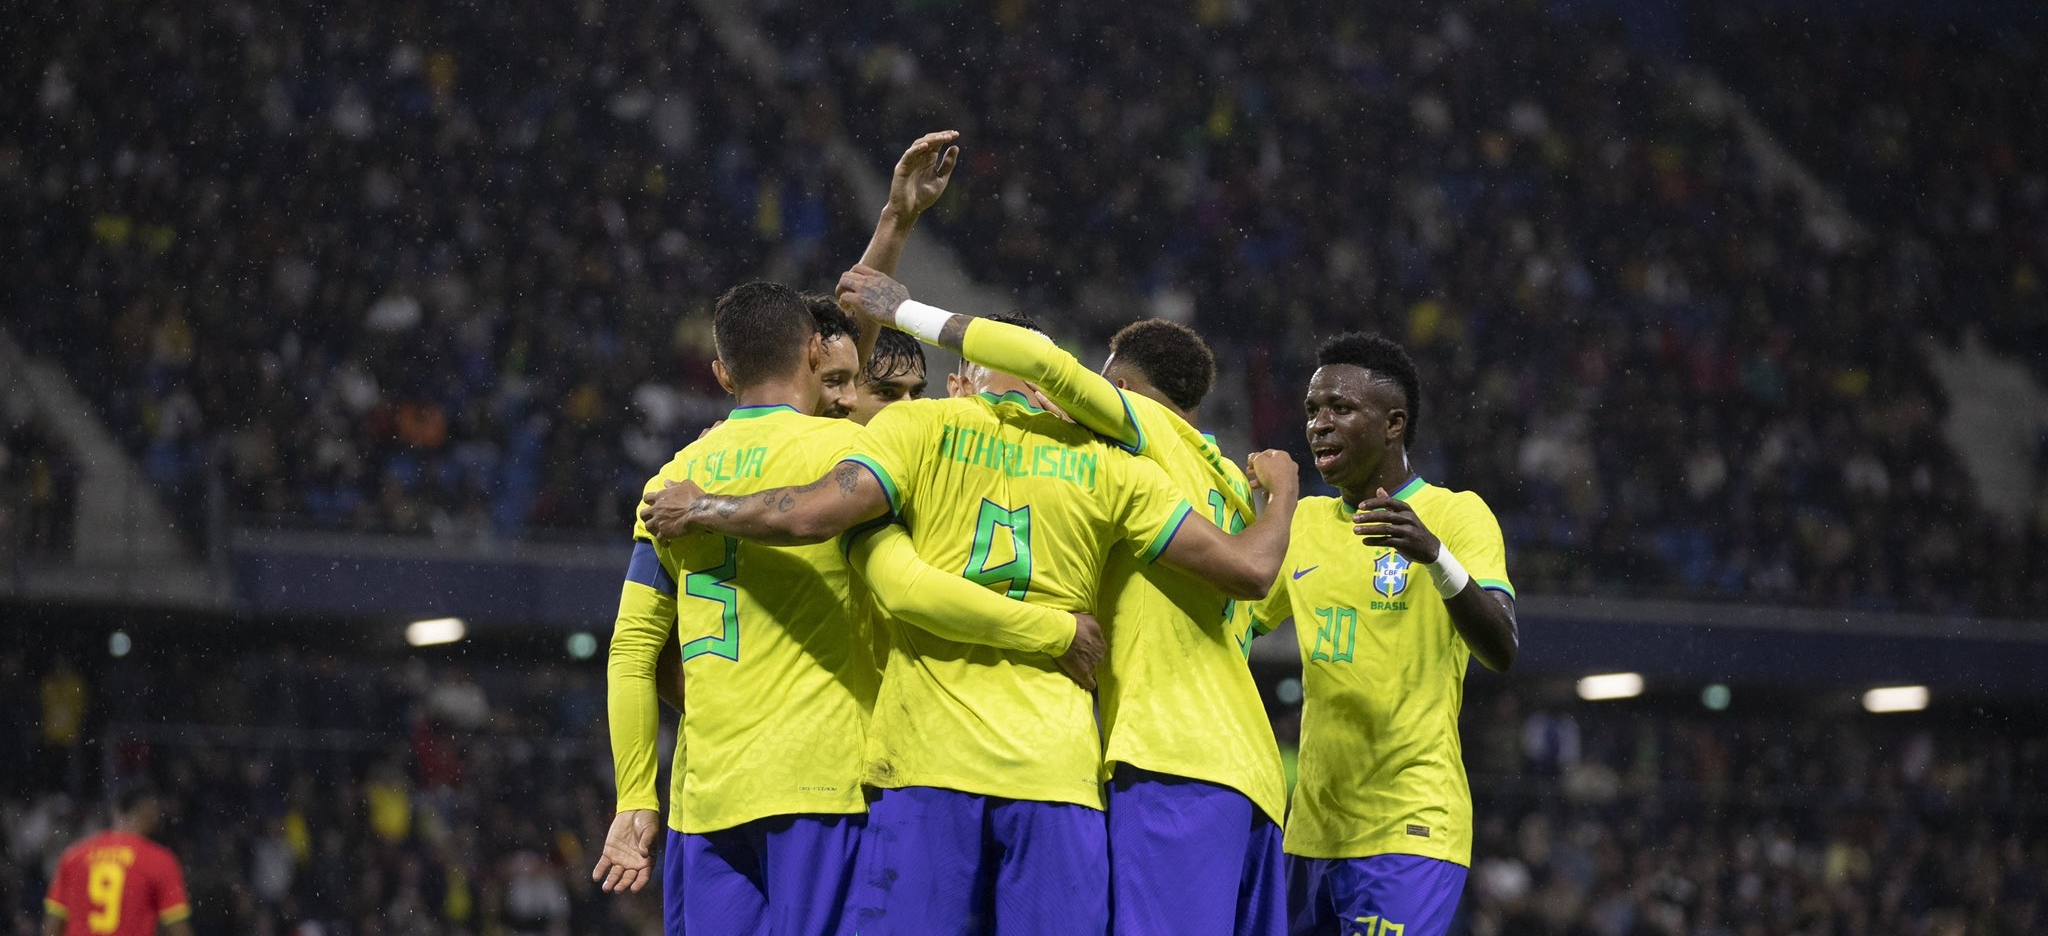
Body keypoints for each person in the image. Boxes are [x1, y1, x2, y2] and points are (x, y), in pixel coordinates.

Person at [639, 304, 1299, 934]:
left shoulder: (918, 432)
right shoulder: (1112, 467)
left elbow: (833, 527)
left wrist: (710, 506)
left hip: (925, 766)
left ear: (959, 381)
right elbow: (1250, 578)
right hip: (1055, 770)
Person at [597, 282, 1096, 936]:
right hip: (826, 782)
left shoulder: (672, 480)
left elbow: (632, 653)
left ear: (723, 373)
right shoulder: (847, 459)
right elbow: (914, 583)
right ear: (812, 353)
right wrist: (1055, 629)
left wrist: (635, 796)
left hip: (708, 799)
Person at [837, 265, 1287, 935]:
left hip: (1163, 757)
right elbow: (1264, 584)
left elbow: (1040, 359)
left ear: (1119, 390)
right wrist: (1278, 499)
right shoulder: (1218, 477)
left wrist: (904, 310)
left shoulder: (1138, 439)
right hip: (1247, 772)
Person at [1246, 332, 1519, 936]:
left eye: (1341, 409)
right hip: (1311, 834)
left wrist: (1434, 556)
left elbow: (1501, 645)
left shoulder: (1455, 514)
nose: (1319, 424)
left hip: (1411, 826)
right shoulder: (1306, 522)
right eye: (1313, 410)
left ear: (1394, 424)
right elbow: (1234, 624)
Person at [42, 783, 193, 936]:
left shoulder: (74, 856)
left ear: (116, 812)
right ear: (150, 812)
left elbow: (53, 925)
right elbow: (177, 928)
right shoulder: (160, 861)